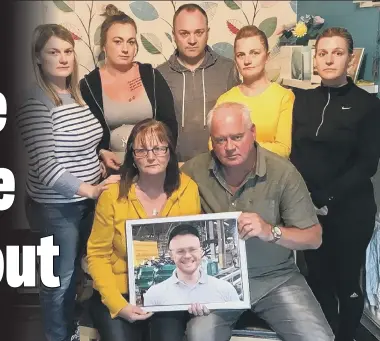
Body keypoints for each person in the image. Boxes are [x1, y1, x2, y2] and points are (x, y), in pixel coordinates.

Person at [181, 102, 335, 341]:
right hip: (216, 281)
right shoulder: (193, 171)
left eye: (237, 137)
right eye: (220, 140)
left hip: (276, 278)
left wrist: (270, 231)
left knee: (319, 338)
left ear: (253, 132)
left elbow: (314, 238)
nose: (229, 147)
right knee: (198, 335)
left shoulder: (283, 172)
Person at [15, 24, 119, 341]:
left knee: (85, 271)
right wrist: (90, 189)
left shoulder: (73, 94)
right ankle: (57, 336)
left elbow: (77, 141)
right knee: (60, 280)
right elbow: (46, 166)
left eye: (68, 51)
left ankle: (76, 327)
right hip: (56, 208)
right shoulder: (35, 102)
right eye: (53, 52)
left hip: (85, 204)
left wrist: (100, 154)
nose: (63, 58)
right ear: (37, 57)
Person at [290, 27, 380, 341]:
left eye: (338, 52)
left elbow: (368, 164)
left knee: (346, 283)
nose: (330, 59)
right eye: (323, 52)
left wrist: (326, 196)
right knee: (318, 280)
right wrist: (305, 200)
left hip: (350, 212)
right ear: (315, 59)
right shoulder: (301, 101)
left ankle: (346, 336)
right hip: (309, 211)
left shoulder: (367, 104)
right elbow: (294, 154)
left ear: (350, 59)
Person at [86, 119, 202, 341]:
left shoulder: (188, 189)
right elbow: (97, 255)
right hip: (119, 291)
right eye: (142, 150)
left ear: (170, 152)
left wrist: (197, 293)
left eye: (159, 148)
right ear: (132, 155)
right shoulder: (113, 195)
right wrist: (118, 305)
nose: (151, 156)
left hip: (170, 292)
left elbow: (193, 246)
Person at [80, 4, 178, 173]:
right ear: (104, 45)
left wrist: (158, 159)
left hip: (153, 168)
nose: (125, 49)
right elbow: (86, 135)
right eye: (118, 42)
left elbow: (169, 125)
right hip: (112, 171)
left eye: (130, 42)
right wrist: (100, 154)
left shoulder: (151, 76)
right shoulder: (90, 85)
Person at [157, 3, 240, 162]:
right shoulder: (159, 75)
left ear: (207, 33)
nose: (192, 40)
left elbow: (237, 123)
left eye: (199, 32)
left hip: (220, 166)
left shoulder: (227, 69)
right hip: (175, 166)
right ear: (174, 35)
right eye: (184, 33)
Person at [209, 25, 294, 158]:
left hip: (272, 175)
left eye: (254, 53)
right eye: (241, 55)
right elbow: (212, 144)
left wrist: (238, 145)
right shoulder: (225, 99)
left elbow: (283, 149)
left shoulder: (284, 97)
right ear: (235, 60)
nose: (247, 61)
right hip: (232, 175)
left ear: (267, 56)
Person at [144, 224, 240, 306]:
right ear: (171, 255)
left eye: (192, 249)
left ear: (201, 251)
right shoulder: (154, 295)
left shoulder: (226, 291)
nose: (187, 256)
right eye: (180, 251)